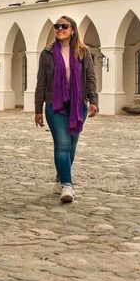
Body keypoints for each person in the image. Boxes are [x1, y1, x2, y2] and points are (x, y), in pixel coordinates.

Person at [34, 16, 98, 203]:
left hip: (78, 104)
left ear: (72, 30)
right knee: (62, 144)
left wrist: (93, 100)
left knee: (71, 145)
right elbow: (41, 82)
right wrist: (38, 109)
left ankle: (60, 177)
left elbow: (90, 77)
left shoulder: (83, 52)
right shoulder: (47, 53)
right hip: (55, 104)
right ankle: (67, 185)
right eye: (57, 26)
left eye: (64, 26)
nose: (59, 28)